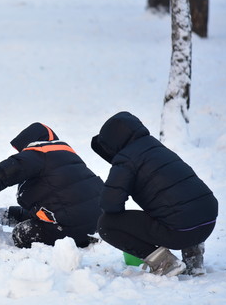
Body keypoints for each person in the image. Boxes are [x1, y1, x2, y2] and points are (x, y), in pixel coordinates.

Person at [91, 111, 218, 276]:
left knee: (106, 224)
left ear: (112, 143)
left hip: (181, 230)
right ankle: (194, 256)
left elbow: (110, 203)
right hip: (208, 220)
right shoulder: (156, 148)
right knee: (181, 205)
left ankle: (165, 263)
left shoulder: (126, 159)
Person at [0, 122, 104, 248]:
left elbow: (4, 173)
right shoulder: (67, 156)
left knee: (21, 234)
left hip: (73, 229)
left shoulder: (39, 154)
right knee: (19, 214)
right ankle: (8, 215)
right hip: (99, 224)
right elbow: (64, 197)